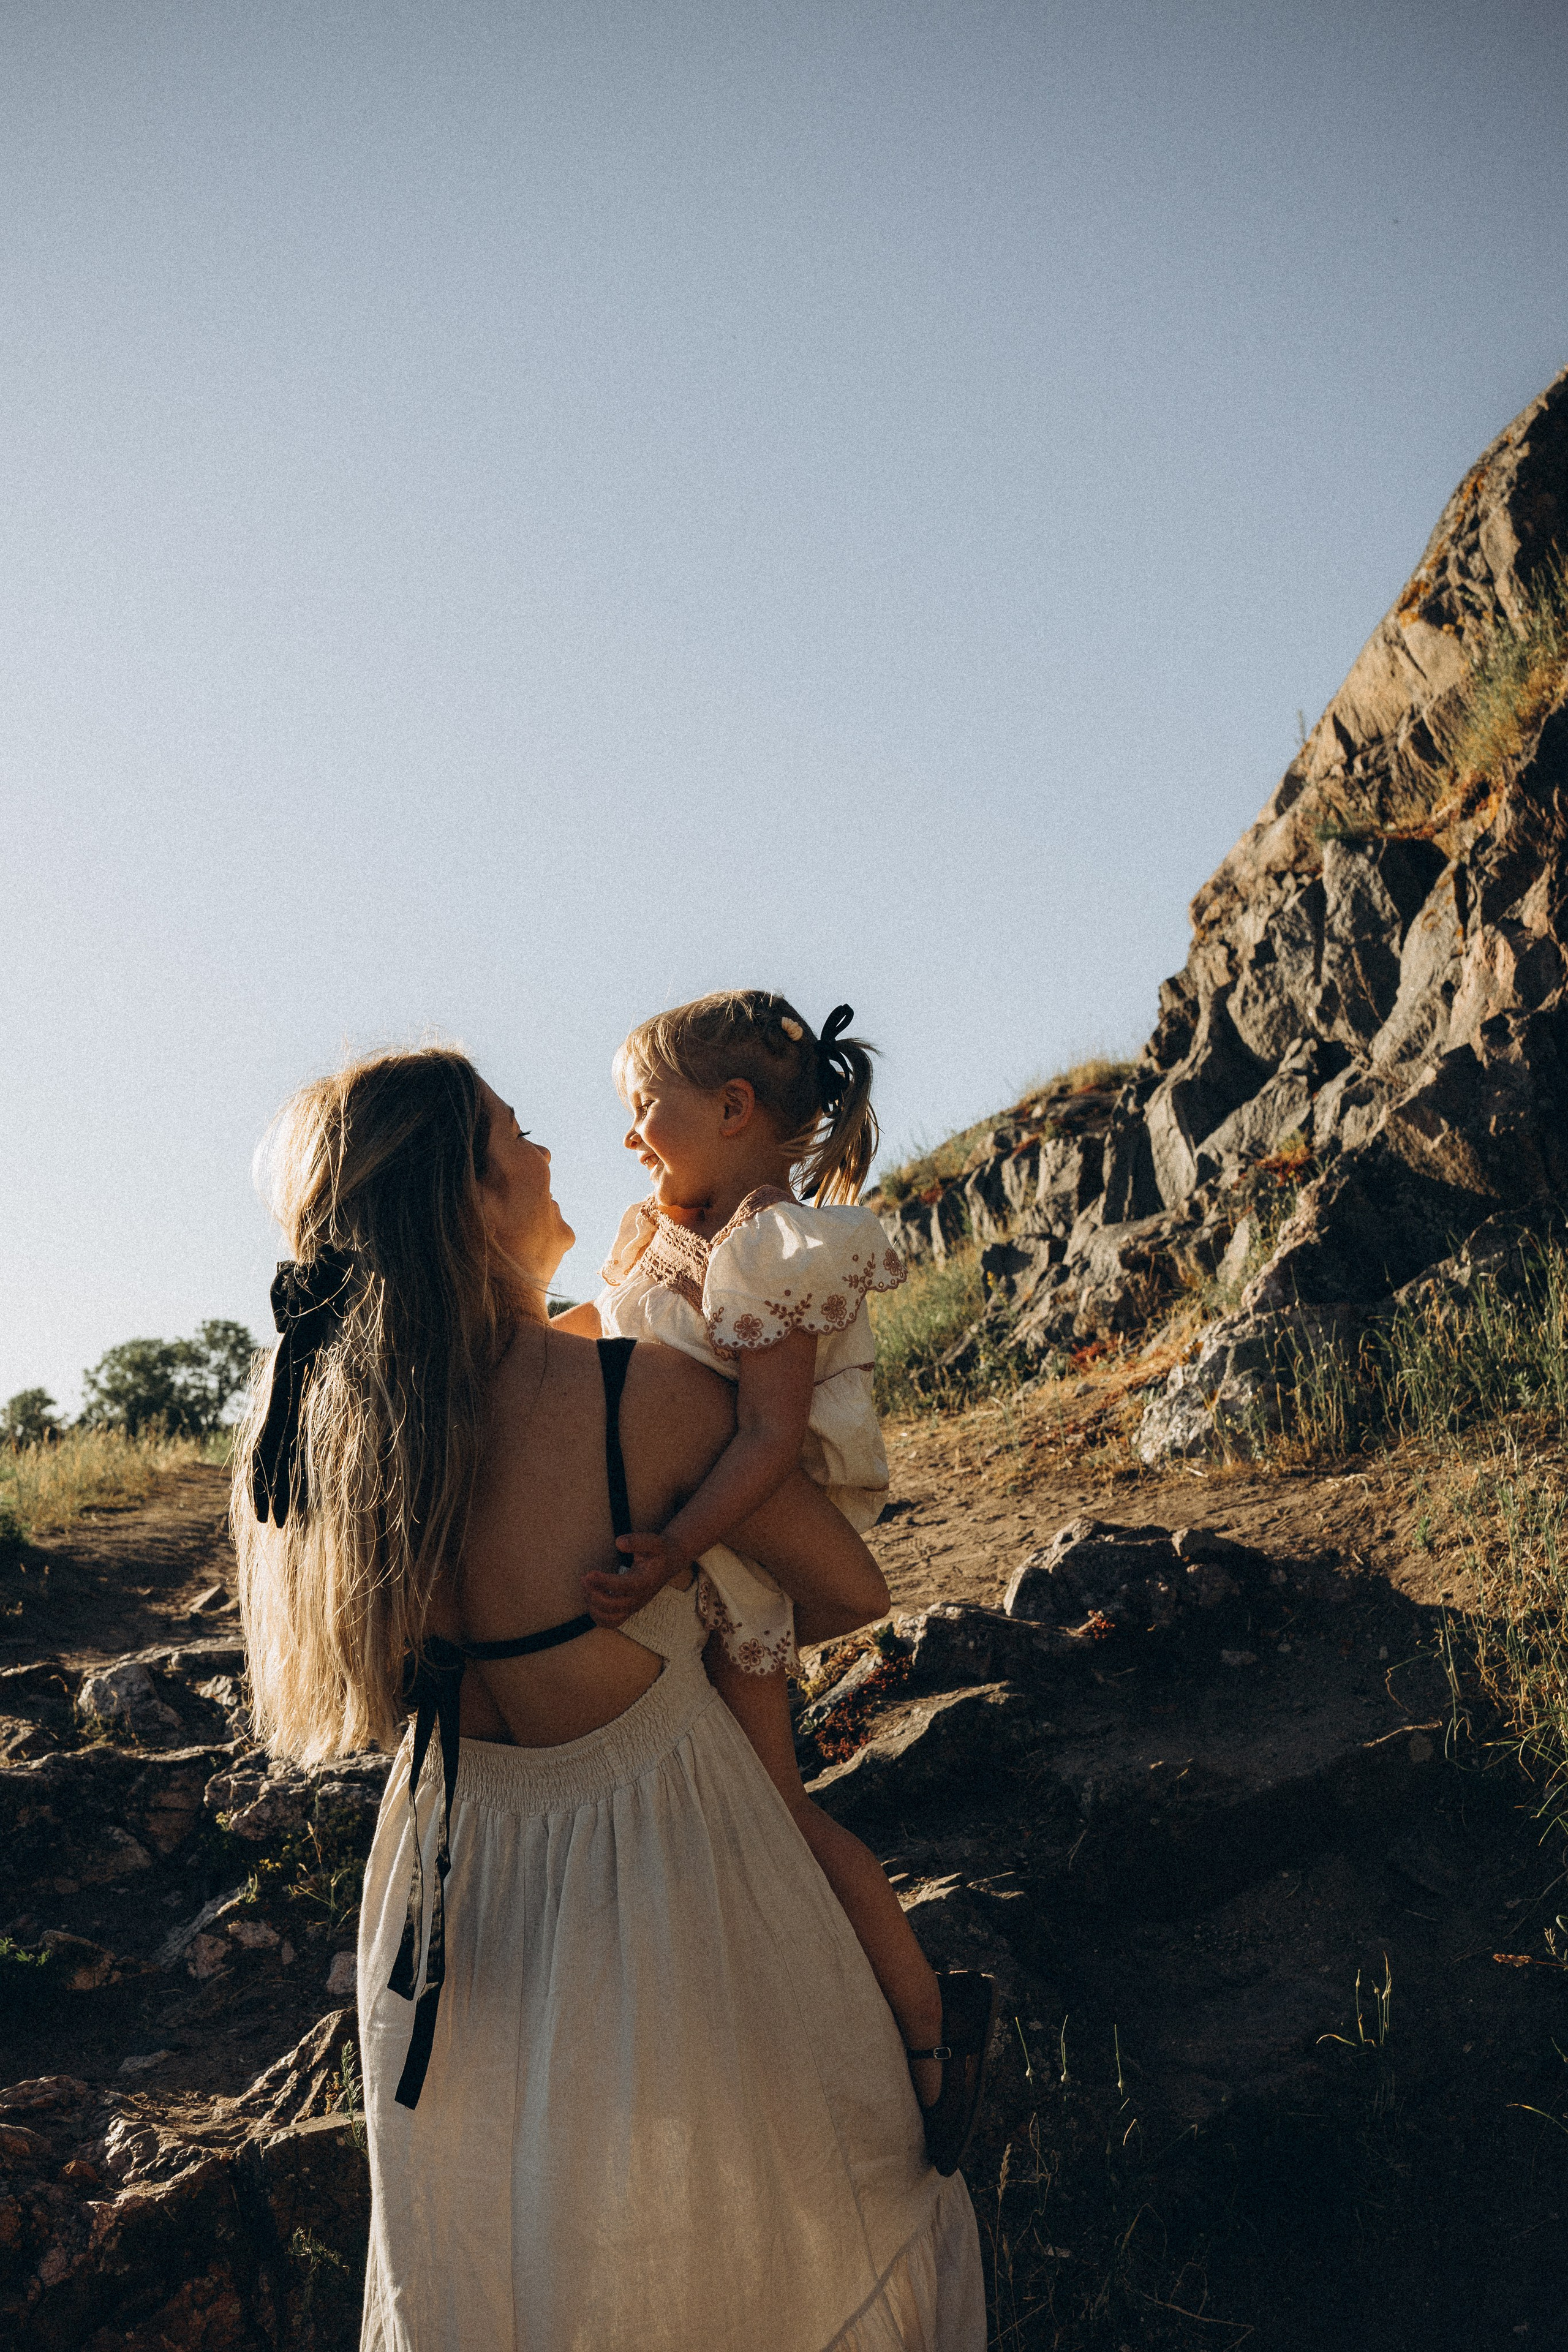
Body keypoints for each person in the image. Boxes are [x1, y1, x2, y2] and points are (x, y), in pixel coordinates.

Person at [230, 1046, 988, 2351]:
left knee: (516, 2251)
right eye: (514, 1135)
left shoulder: (330, 1430)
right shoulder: (637, 1396)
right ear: (469, 1195)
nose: (544, 1153)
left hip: (452, 1881)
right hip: (665, 1842)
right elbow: (848, 1591)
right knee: (808, 2217)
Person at [563, 990, 991, 2133]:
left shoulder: (769, 1248)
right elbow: (592, 1355)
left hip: (729, 1552)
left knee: (778, 1805)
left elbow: (765, 1438)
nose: (629, 1138)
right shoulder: (664, 1231)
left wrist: (676, 1555)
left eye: (644, 1109)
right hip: (683, 1542)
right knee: (716, 1808)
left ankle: (931, 2028)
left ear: (734, 1107)